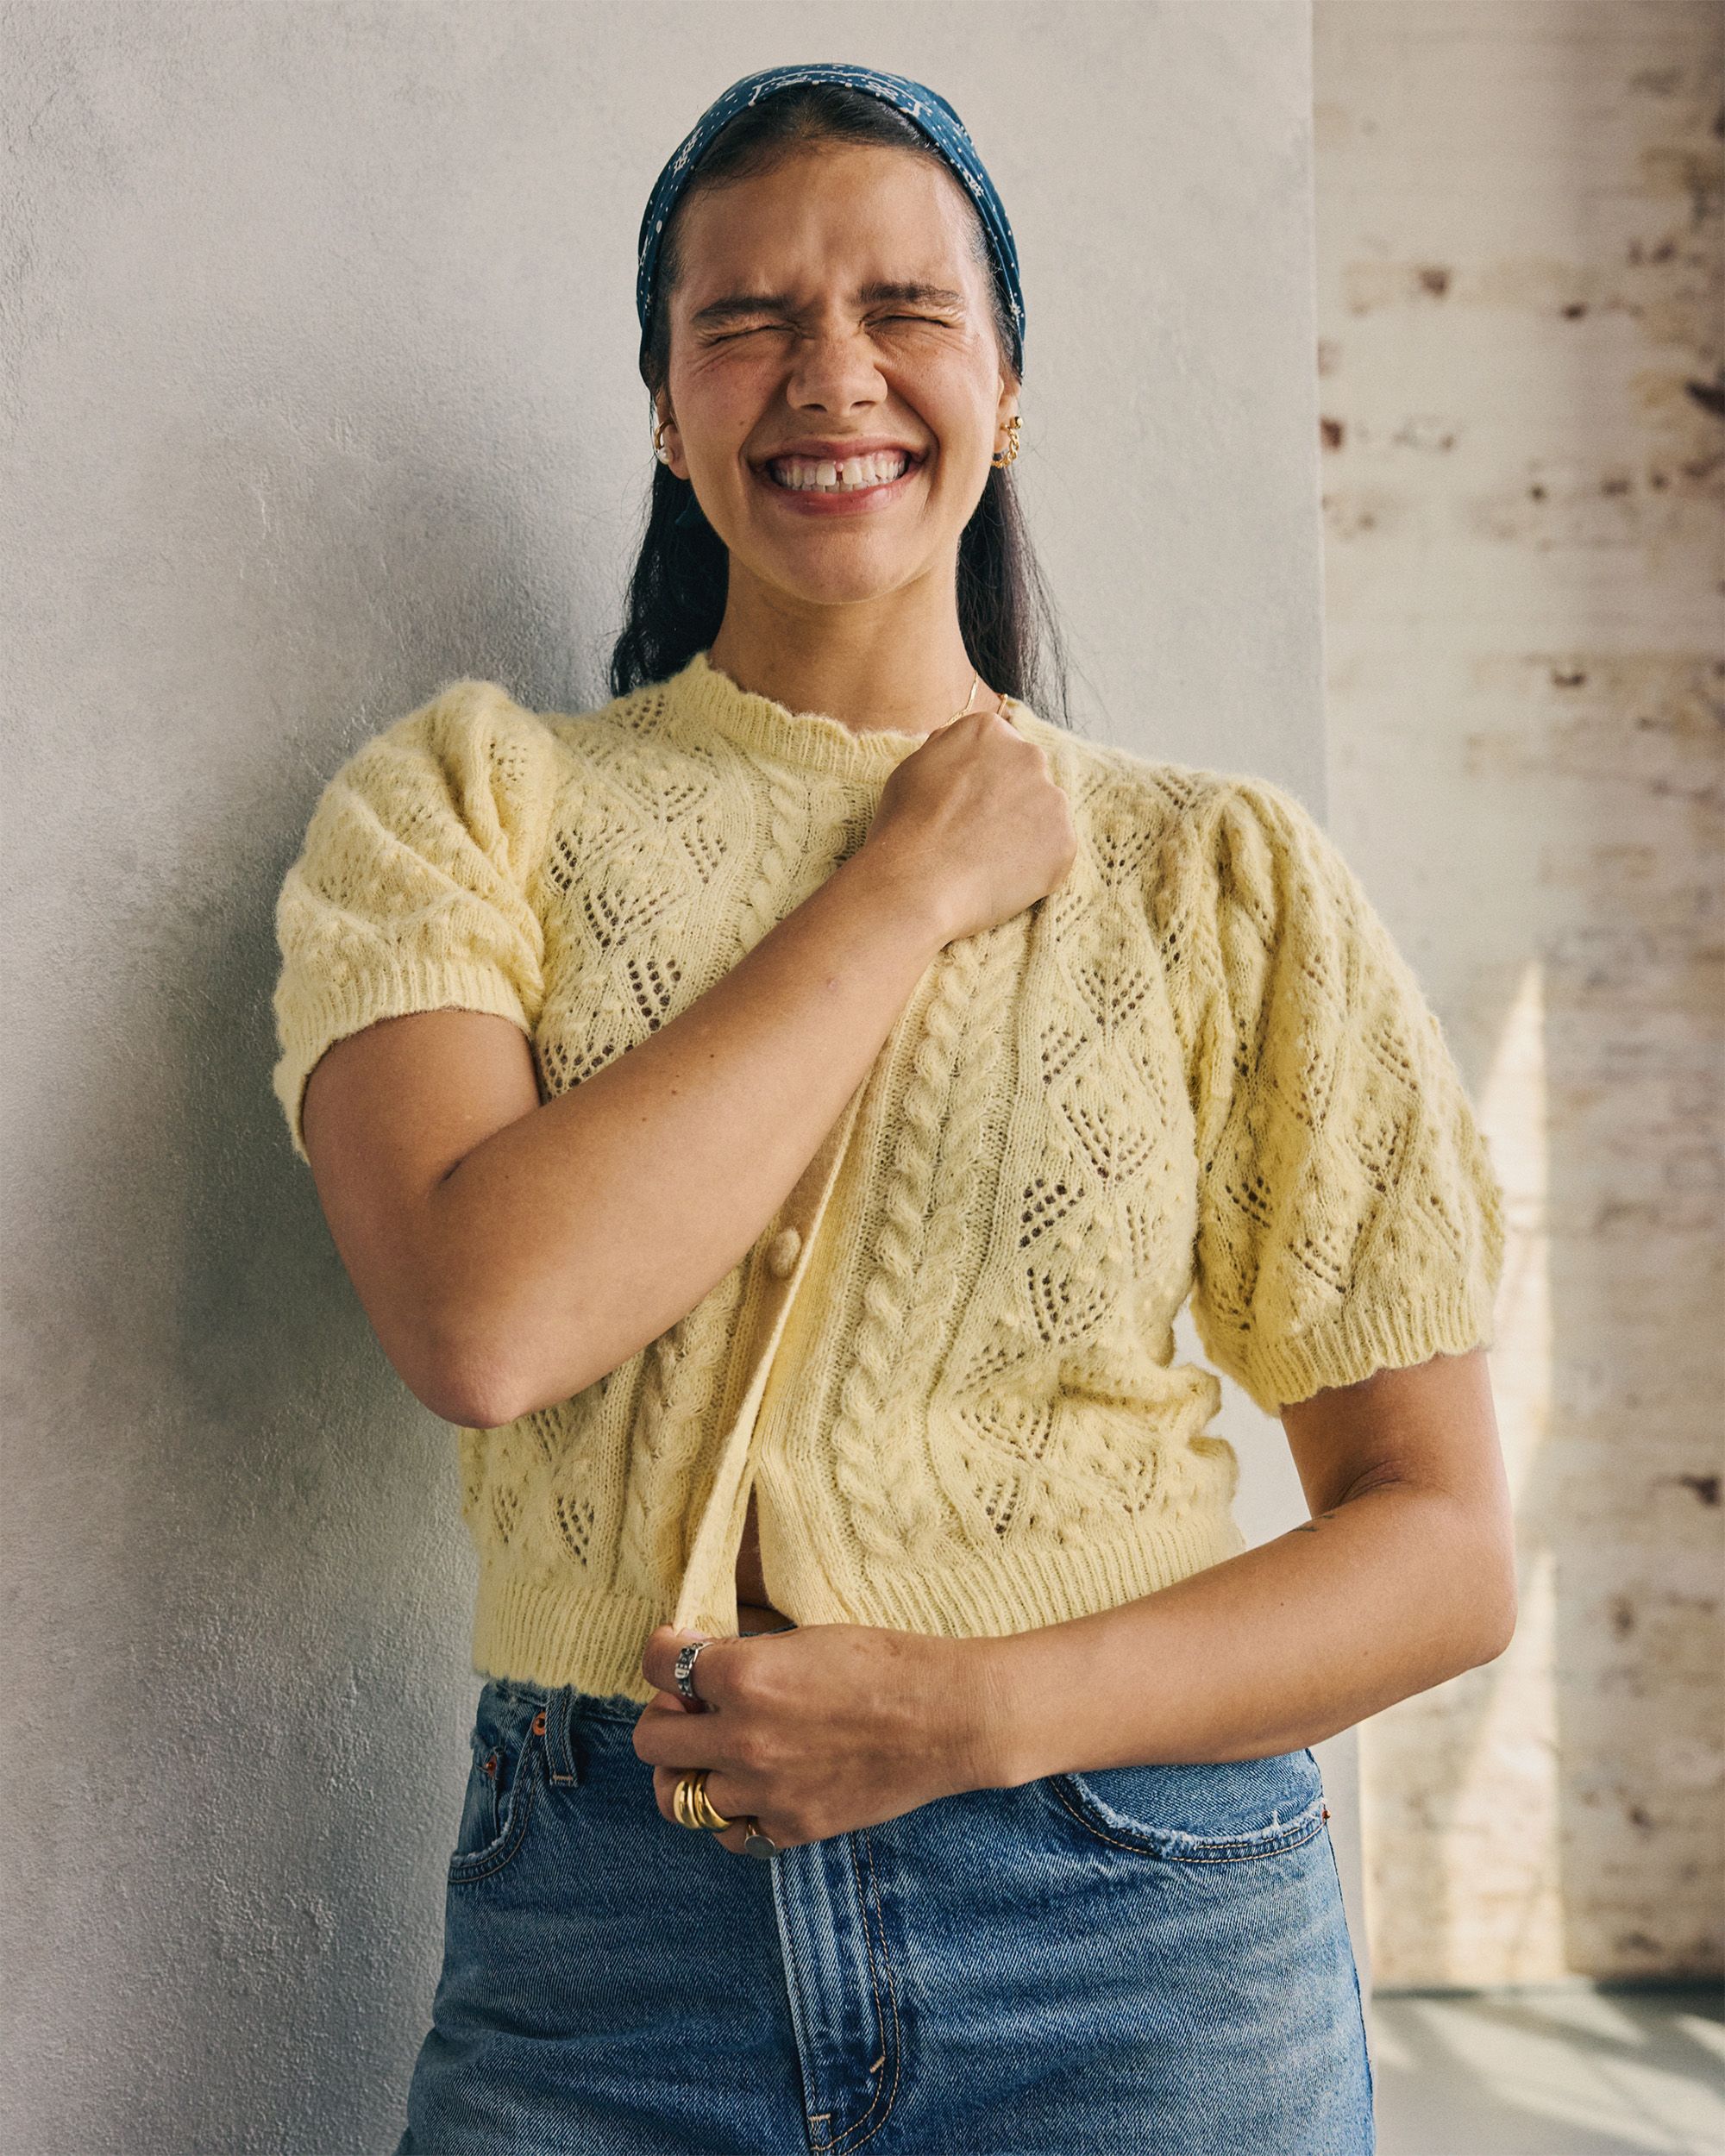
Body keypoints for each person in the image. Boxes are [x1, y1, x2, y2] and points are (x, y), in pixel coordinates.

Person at [271, 61, 1514, 2156]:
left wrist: (976, 1711)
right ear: (663, 407)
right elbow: (486, 1316)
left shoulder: (1217, 875)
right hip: (611, 1951)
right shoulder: (468, 802)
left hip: (1134, 1933)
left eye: (903, 309)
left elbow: (1441, 1546)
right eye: (744, 319)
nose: (827, 373)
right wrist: (905, 887)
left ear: (1004, 387)